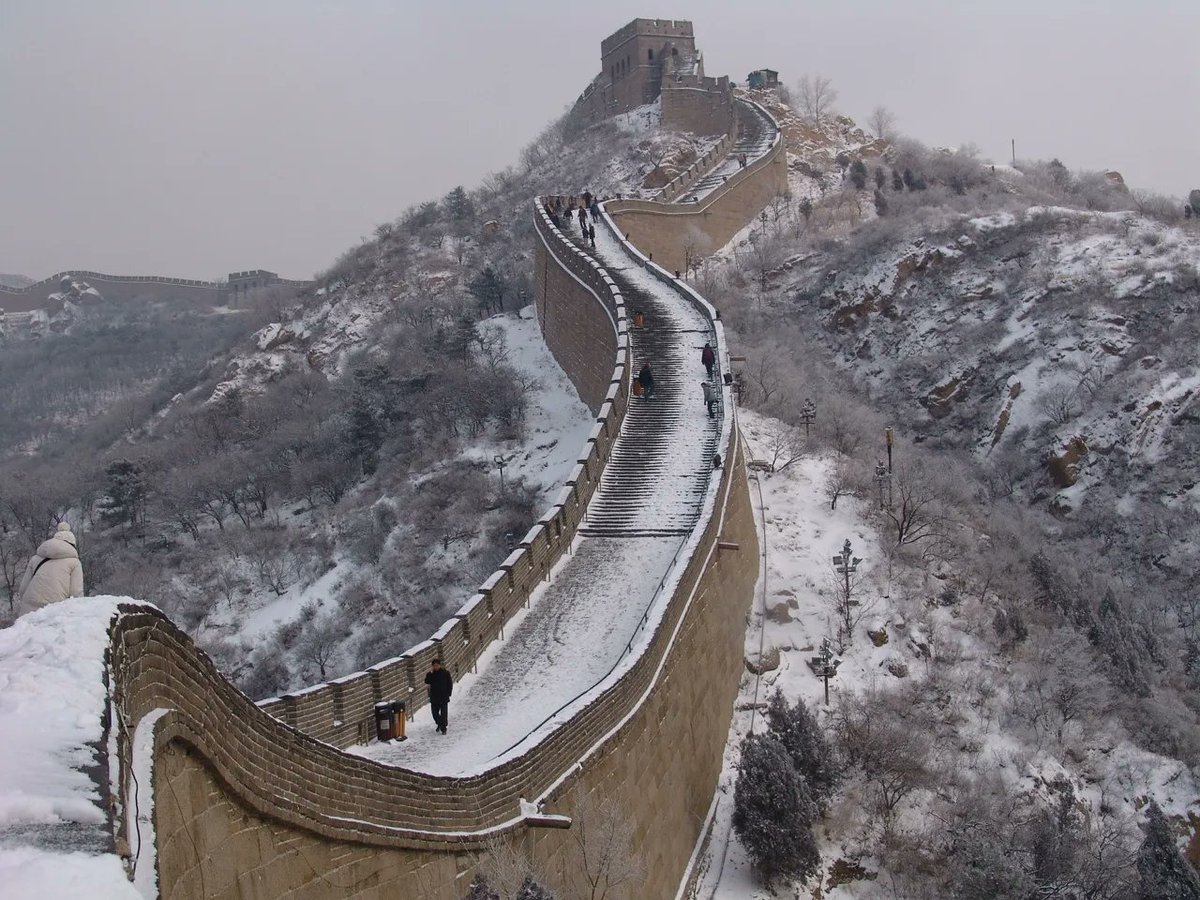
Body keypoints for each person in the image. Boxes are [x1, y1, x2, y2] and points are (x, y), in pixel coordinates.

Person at [15, 522, 84, 616]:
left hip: (28, 611)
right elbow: (76, 593)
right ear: (72, 545)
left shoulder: (35, 558)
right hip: (54, 612)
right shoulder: (75, 563)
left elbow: (23, 589)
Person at [424, 658, 453, 734]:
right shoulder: (431, 674)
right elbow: (426, 681)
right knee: (435, 714)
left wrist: (449, 693)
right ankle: (440, 724)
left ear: (439, 665)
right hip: (434, 697)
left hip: (443, 696)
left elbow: (449, 683)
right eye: (434, 666)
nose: (436, 667)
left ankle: (444, 728)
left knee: (444, 714)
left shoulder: (445, 673)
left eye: (437, 665)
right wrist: (430, 674)